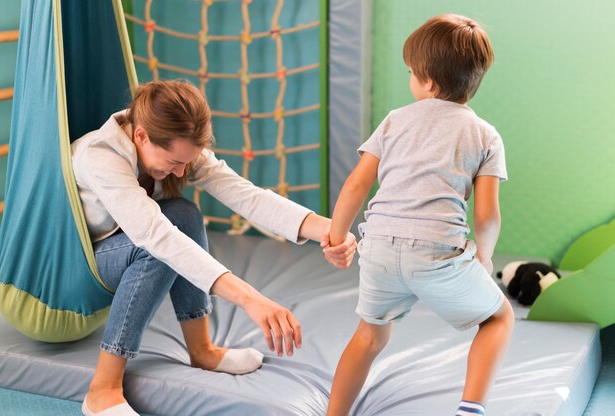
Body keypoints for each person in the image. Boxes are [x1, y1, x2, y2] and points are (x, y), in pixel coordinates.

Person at [72, 80, 356, 416]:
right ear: (141, 136)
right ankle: (102, 389)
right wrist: (251, 298)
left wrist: (330, 230)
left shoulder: (170, 144)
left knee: (184, 214)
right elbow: (155, 236)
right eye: (173, 161)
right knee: (160, 243)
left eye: (186, 162)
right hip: (79, 265)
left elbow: (245, 195)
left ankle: (202, 350)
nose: (180, 171)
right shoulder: (99, 156)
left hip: (123, 247)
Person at [326, 14, 515, 416]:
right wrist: (483, 255)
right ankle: (470, 408)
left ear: (427, 81)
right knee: (499, 318)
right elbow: (486, 214)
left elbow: (356, 185)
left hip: (377, 247)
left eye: (411, 72)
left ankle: (334, 413)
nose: (410, 79)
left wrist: (337, 236)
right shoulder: (485, 134)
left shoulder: (395, 120)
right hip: (435, 252)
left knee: (369, 336)